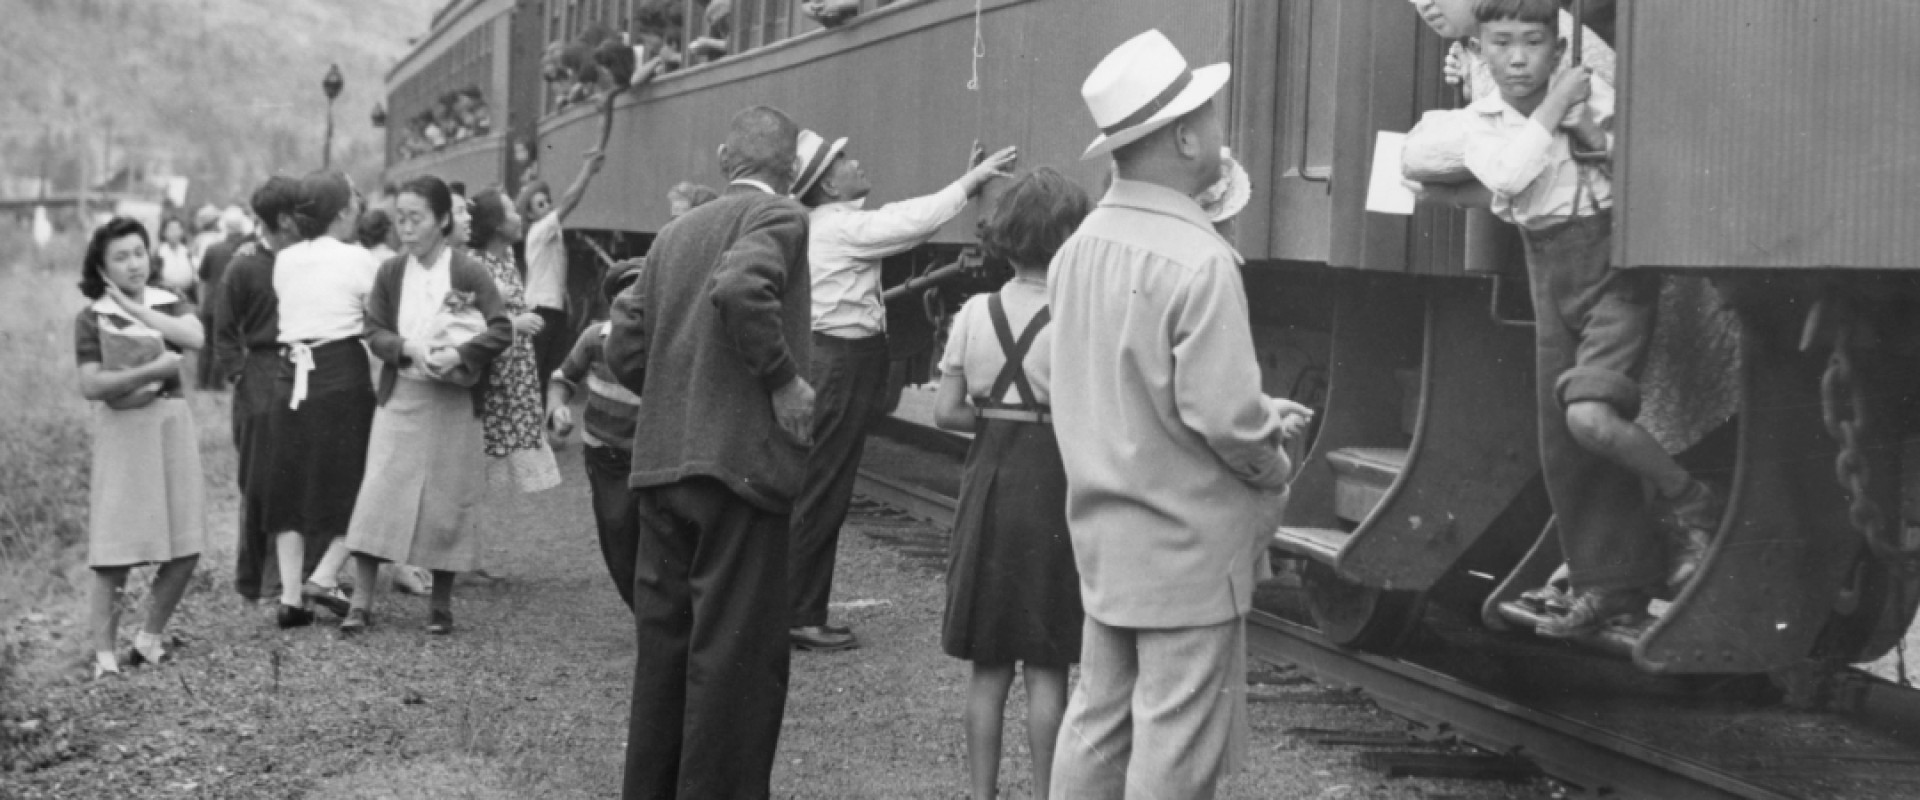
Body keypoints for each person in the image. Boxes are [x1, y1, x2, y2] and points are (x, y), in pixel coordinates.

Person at [1047, 31, 1312, 798]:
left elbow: (1120, 382)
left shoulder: (1078, 248)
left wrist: (1249, 412)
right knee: (1176, 737)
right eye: (1212, 115)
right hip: (1189, 548)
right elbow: (1226, 422)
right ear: (1187, 138)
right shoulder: (1200, 259)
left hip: (1105, 534)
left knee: (1097, 720)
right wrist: (1274, 463)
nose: (1221, 130)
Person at [1456, 0, 1718, 637]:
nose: (1518, 58)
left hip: (1612, 270)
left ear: (1557, 47)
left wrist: (1596, 135)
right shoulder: (1480, 120)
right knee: (1561, 443)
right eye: (1501, 44)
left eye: (1533, 42)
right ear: (1480, 51)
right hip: (1547, 269)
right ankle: (1609, 586)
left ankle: (1692, 505)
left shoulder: (1592, 97)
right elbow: (1509, 175)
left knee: (1589, 418)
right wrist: (1555, 108)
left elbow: (1647, 169)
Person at [603, 105, 814, 800]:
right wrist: (781, 381)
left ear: (726, 159)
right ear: (791, 167)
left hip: (661, 469)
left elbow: (623, 344)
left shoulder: (674, 233)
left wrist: (677, 396)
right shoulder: (779, 215)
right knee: (734, 668)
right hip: (737, 473)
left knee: (663, 660)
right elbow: (741, 286)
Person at [785, 128, 1017, 651]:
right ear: (828, 186)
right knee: (824, 488)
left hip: (840, 359)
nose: (855, 162)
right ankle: (800, 614)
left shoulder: (830, 224)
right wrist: (971, 182)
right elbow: (911, 221)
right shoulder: (840, 228)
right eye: (843, 160)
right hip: (840, 362)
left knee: (822, 483)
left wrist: (965, 180)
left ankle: (796, 607)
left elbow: (901, 216)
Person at [930, 167, 1090, 800]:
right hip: (1053, 488)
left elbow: (947, 412)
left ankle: (982, 794)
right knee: (1048, 666)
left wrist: (998, 421)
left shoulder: (974, 312)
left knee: (988, 666)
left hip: (989, 489)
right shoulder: (1077, 316)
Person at [341, 175, 514, 636]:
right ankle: (361, 601)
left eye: (415, 218)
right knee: (379, 493)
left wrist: (462, 354)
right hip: (403, 395)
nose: (406, 228)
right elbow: (373, 330)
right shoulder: (391, 272)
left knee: (447, 498)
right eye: (400, 218)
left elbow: (501, 328)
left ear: (440, 220)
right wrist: (406, 349)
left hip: (453, 400)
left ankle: (440, 605)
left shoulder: (468, 272)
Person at [73, 217, 207, 679]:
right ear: (102, 267)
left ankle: (149, 639)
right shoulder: (92, 317)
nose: (134, 264)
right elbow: (92, 385)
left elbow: (195, 337)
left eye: (139, 253)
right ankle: (105, 658)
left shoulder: (168, 301)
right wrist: (151, 371)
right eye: (121, 257)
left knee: (186, 544)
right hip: (123, 432)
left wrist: (140, 311)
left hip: (171, 424)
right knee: (115, 551)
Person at [262, 171, 379, 628]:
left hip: (289, 376)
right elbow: (377, 316)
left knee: (290, 486)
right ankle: (326, 574)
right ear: (343, 210)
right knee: (362, 480)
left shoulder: (285, 260)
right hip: (339, 373)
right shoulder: (359, 259)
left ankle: (291, 597)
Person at [209, 176, 314, 602]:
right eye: (300, 212)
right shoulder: (244, 264)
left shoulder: (308, 260)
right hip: (261, 376)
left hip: (304, 370)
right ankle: (256, 579)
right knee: (260, 479)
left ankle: (295, 575)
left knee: (300, 476)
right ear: (284, 219)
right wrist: (240, 373)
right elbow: (223, 331)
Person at [547, 260, 646, 609]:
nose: (635, 301)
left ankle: (659, 617)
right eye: (626, 293)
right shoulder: (594, 338)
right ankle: (642, 609)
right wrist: (556, 408)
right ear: (614, 302)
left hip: (648, 456)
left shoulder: (664, 340)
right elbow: (563, 378)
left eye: (643, 292)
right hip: (604, 453)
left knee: (655, 537)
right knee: (616, 534)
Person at [468, 188, 562, 494]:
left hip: (516, 370)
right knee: (494, 455)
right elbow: (467, 322)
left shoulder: (507, 257)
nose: (519, 217)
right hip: (496, 373)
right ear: (497, 225)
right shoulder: (475, 265)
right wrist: (513, 324)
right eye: (511, 211)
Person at [519, 149, 609, 395]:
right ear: (530, 214)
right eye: (540, 205)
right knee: (539, 374)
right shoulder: (539, 230)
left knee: (547, 372)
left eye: (548, 201)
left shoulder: (550, 232)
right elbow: (569, 202)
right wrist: (587, 171)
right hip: (542, 311)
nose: (548, 206)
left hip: (553, 311)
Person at [196, 207, 253, 390]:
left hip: (210, 302)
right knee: (226, 343)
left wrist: (201, 301)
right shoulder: (246, 252)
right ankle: (217, 383)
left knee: (207, 343)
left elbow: (202, 277)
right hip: (231, 305)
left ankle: (201, 382)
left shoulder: (213, 249)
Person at [152, 217, 197, 300]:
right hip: (166, 296)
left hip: (187, 296)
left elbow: (194, 273)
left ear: (182, 232)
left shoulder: (186, 251)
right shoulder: (159, 254)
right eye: (171, 230)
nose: (175, 233)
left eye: (177, 229)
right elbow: (153, 280)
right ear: (164, 232)